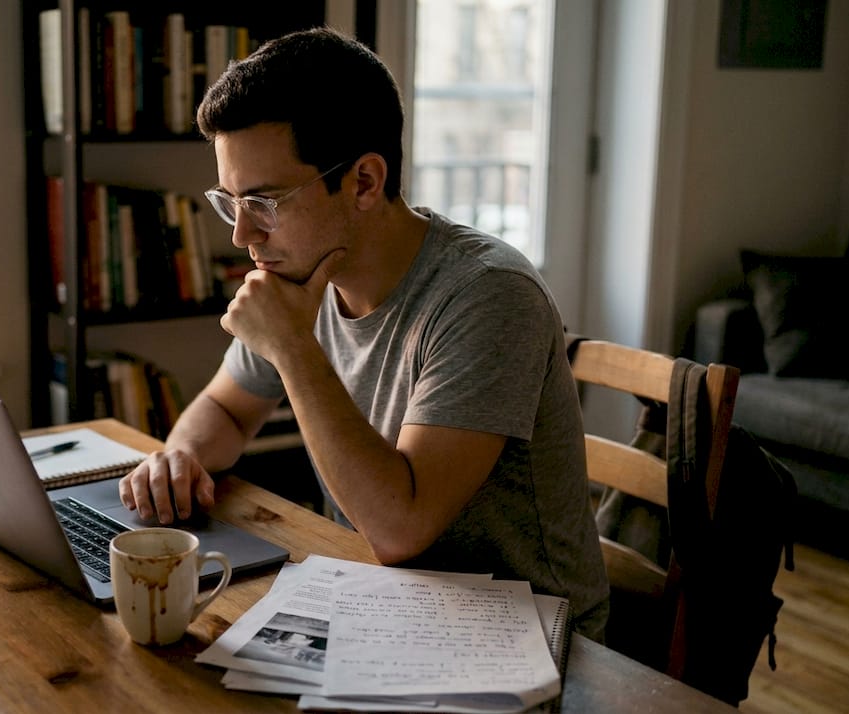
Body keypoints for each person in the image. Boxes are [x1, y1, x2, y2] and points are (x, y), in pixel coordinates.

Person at [117, 27, 609, 639]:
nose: (241, 235)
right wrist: (181, 458)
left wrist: (293, 349)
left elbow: (401, 527)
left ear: (365, 183)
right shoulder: (304, 274)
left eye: (265, 201)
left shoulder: (489, 294)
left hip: (528, 635)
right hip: (385, 601)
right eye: (231, 201)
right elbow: (225, 406)